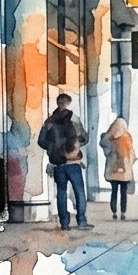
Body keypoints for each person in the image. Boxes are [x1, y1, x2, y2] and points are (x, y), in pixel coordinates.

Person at [37, 93, 94, 231]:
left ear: (58, 103)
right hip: (73, 162)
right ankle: (81, 221)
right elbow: (85, 138)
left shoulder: (49, 121)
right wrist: (75, 144)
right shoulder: (74, 119)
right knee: (79, 192)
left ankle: (64, 223)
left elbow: (41, 141)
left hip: (58, 163)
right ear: (68, 103)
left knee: (61, 192)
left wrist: (52, 148)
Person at [99, 116, 135, 220]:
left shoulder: (109, 137)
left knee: (114, 191)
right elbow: (131, 152)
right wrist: (130, 163)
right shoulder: (127, 137)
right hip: (124, 169)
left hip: (113, 168)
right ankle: (123, 212)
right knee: (123, 192)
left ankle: (114, 211)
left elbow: (103, 145)